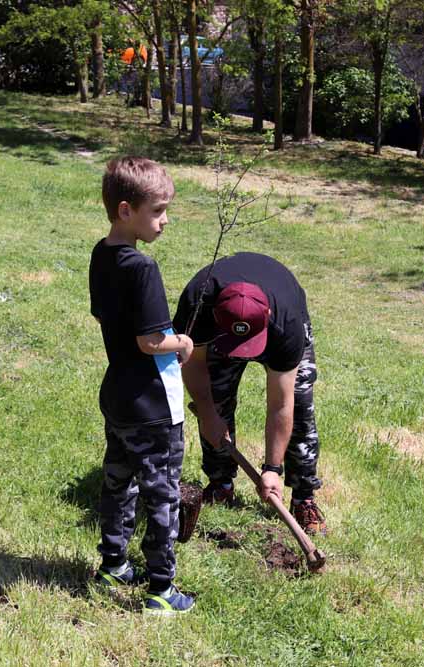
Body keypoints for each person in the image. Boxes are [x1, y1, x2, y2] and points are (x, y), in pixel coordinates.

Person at [88, 156, 196, 615]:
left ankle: (113, 562)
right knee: (162, 494)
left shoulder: (101, 253)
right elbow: (152, 340)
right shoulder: (142, 268)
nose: (165, 220)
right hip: (152, 405)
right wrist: (184, 342)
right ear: (126, 210)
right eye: (158, 210)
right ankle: (161, 589)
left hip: (117, 395)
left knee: (118, 482)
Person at [172, 253, 325, 534]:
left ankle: (304, 497)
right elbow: (194, 366)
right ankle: (221, 484)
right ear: (216, 315)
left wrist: (272, 469)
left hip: (280, 319)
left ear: (267, 315)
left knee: (301, 406)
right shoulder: (198, 305)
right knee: (215, 400)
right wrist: (207, 413)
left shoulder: (286, 323)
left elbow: (281, 404)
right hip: (221, 331)